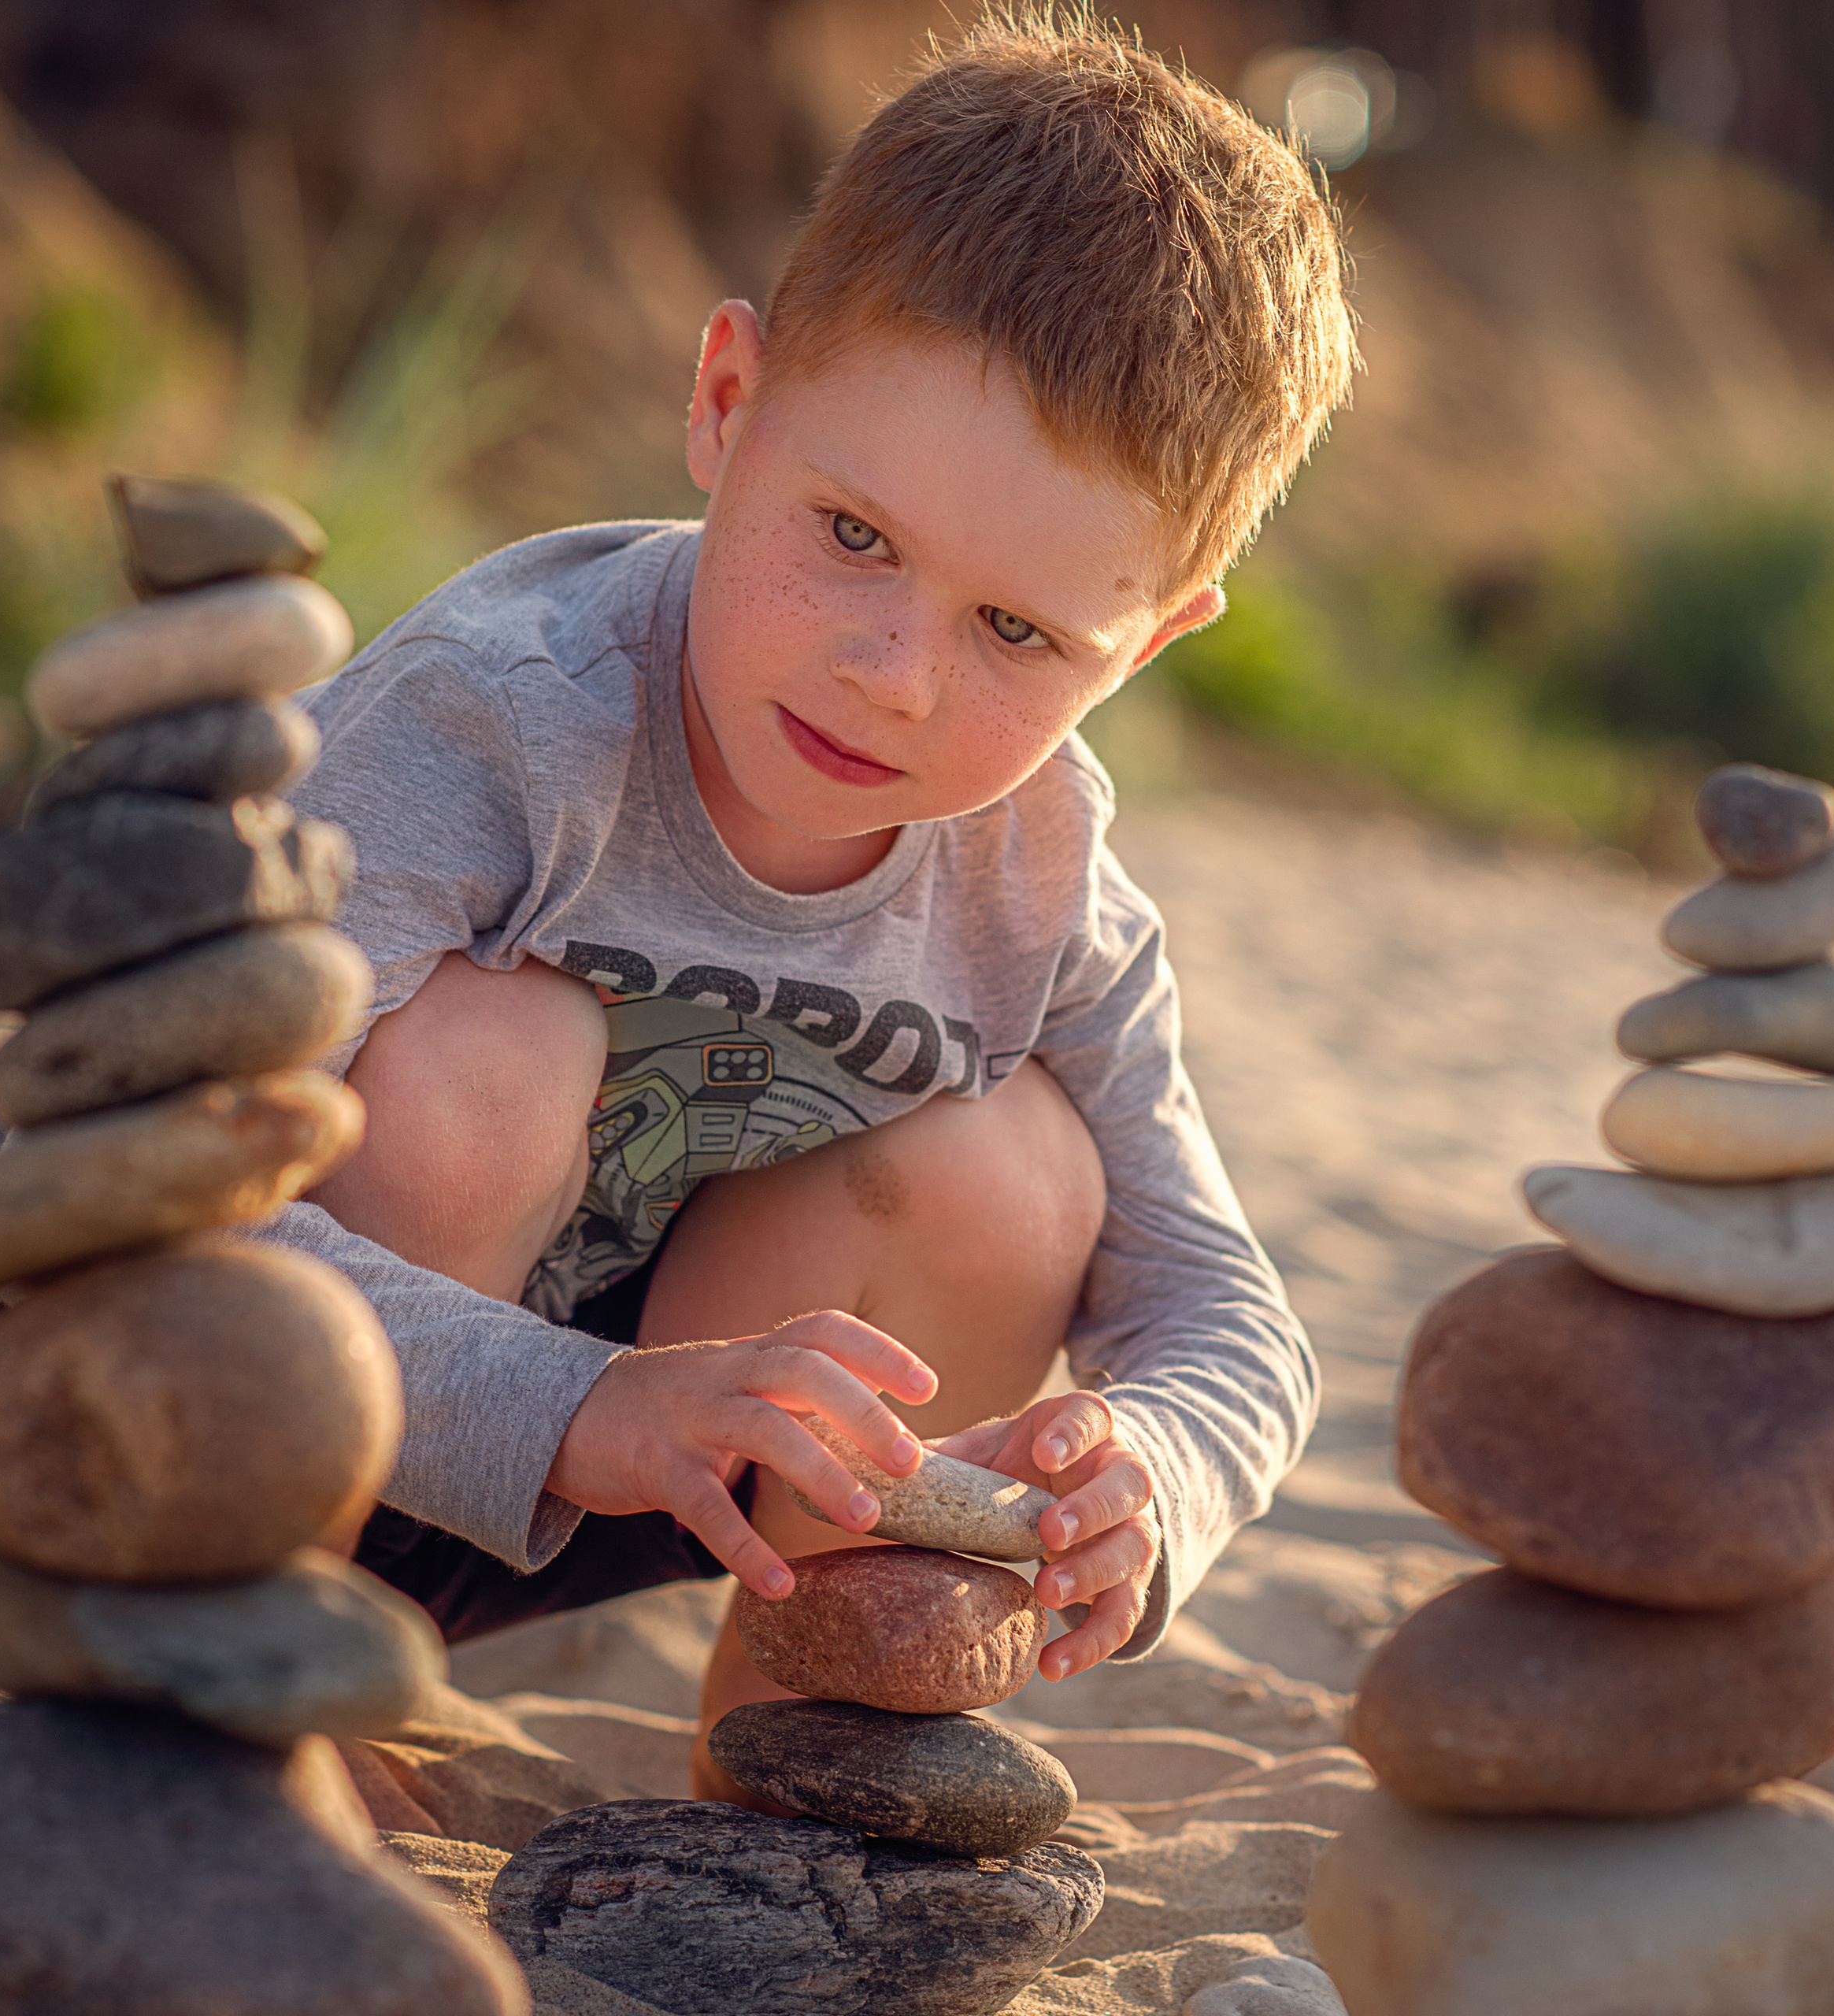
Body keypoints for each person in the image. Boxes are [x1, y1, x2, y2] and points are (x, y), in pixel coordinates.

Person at [272, 6, 1354, 1800]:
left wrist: (1144, 1470)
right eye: (853, 534)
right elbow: (113, 1189)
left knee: (1016, 1171)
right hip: (291, 1436)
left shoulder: (1035, 873)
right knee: (490, 1055)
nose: (895, 677)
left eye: (1016, 630)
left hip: (692, 1479)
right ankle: (272, 1695)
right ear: (723, 404)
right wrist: (581, 1407)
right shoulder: (492, 720)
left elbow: (1225, 1311)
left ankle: (773, 1782)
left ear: (1148, 644)